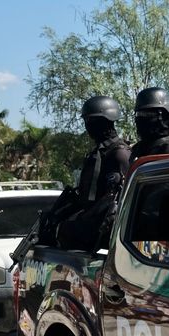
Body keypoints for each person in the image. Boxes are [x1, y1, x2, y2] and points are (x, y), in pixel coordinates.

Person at [50, 96, 130, 251]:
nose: (89, 126)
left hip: (105, 227)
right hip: (89, 220)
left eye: (93, 121)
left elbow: (120, 199)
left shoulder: (119, 154)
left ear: (107, 121)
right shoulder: (96, 153)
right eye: (87, 121)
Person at [129, 87, 169, 163]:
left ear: (166, 117)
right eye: (139, 114)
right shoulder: (138, 150)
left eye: (149, 114)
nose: (142, 118)